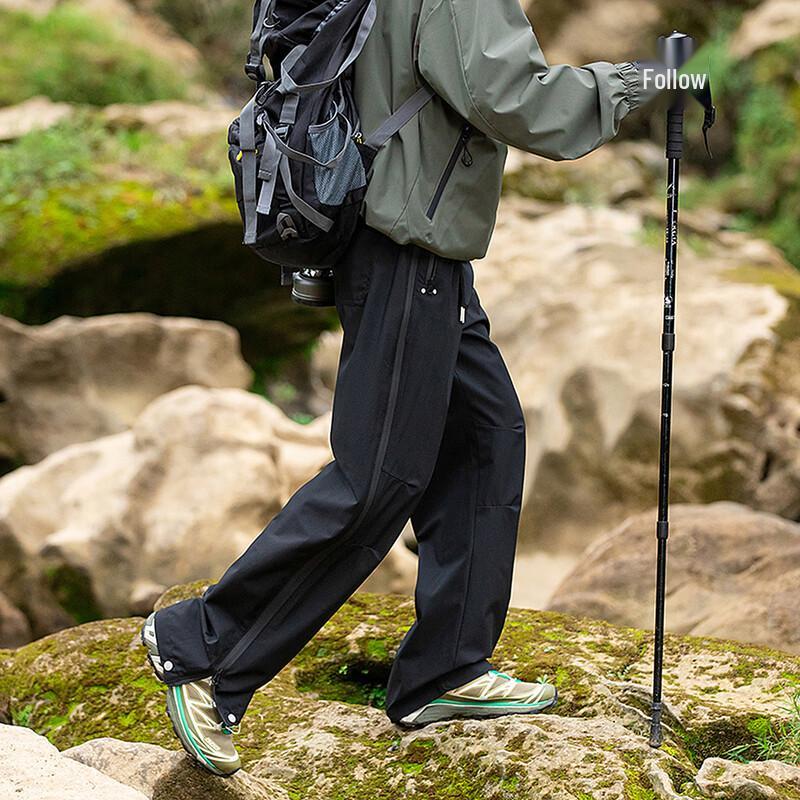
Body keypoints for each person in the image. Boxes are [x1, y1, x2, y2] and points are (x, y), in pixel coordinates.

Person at [141, 0, 660, 776]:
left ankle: (446, 670)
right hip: (404, 250)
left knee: (485, 438)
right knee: (379, 476)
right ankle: (203, 649)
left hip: (409, 248)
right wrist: (646, 82)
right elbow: (514, 98)